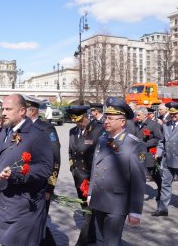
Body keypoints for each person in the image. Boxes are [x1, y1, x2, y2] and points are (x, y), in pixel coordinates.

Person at [0, 94, 53, 246]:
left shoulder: (37, 135)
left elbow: (46, 168)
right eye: (3, 109)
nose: (3, 113)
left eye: (8, 109)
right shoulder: (3, 132)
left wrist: (16, 173)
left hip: (23, 208)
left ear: (22, 111)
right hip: (2, 205)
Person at [88, 97, 146, 246]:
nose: (106, 121)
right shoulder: (102, 139)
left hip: (117, 203)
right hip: (99, 199)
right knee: (105, 238)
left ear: (122, 122)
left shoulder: (133, 145)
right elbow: (96, 166)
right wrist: (90, 193)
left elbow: (138, 181)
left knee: (111, 242)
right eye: (106, 117)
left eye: (111, 119)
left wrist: (135, 211)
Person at [23, 94, 60, 246]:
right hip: (25, 183)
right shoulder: (21, 128)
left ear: (32, 112)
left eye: (23, 110)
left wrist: (50, 187)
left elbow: (55, 159)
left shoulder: (46, 129)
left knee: (39, 224)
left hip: (41, 184)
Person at [66, 105, 104, 246]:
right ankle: (92, 236)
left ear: (86, 117)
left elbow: (100, 155)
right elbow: (70, 151)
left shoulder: (98, 130)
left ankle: (83, 240)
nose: (78, 123)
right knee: (84, 207)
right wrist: (72, 168)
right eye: (75, 121)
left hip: (90, 176)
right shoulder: (72, 131)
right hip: (78, 175)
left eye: (80, 120)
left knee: (89, 209)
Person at [134, 106, 163, 199]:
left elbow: (158, 138)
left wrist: (145, 144)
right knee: (140, 173)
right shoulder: (135, 124)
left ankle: (161, 189)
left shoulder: (153, 124)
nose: (137, 117)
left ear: (145, 115)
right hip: (139, 153)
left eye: (139, 115)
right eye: (136, 115)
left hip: (149, 152)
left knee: (153, 173)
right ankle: (139, 193)